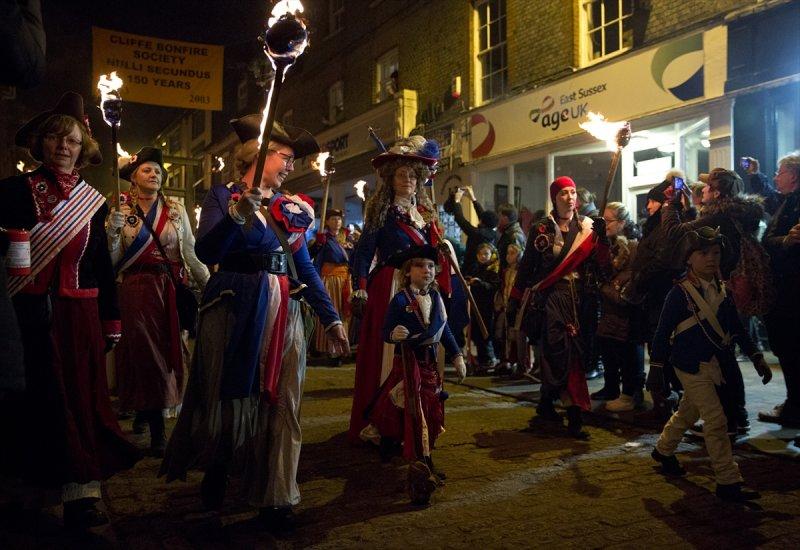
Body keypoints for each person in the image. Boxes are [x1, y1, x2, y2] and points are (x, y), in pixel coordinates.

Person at [159, 115, 349, 533]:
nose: (290, 166)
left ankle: (277, 495)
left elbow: (304, 268)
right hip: (234, 303)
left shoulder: (291, 208)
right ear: (257, 155)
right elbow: (209, 248)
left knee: (285, 403)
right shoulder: (220, 196)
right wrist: (237, 215)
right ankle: (220, 464)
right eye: (285, 157)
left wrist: (330, 317)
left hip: (284, 310)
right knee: (228, 398)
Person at [0, 92, 139, 529]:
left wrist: (111, 320)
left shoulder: (92, 202)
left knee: (81, 398)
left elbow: (100, 264)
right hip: (25, 312)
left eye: (73, 141)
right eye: (56, 138)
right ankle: (34, 485)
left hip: (79, 312)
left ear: (84, 150)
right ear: (41, 144)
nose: (64, 147)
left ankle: (83, 491)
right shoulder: (11, 190)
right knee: (36, 399)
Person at [649, 227, 772, 502]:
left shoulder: (723, 291)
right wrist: (656, 369)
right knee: (716, 420)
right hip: (689, 364)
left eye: (715, 253)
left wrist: (756, 356)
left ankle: (663, 449)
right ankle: (728, 482)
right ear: (689, 258)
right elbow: (662, 332)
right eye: (703, 253)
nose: (710, 259)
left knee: (688, 413)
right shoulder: (679, 294)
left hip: (715, 363)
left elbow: (737, 328)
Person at [348, 135, 452, 444]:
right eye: (401, 174)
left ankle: (414, 420)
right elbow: (364, 254)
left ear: (420, 180)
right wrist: (361, 288)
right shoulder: (381, 213)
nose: (407, 180)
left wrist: (442, 249)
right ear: (391, 179)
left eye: (412, 175)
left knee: (421, 354)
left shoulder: (426, 217)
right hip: (389, 287)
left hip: (421, 285)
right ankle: (382, 421)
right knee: (390, 354)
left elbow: (434, 254)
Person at [106, 147, 210, 456]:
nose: (155, 175)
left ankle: (146, 411)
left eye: (158, 171)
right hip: (135, 290)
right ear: (133, 178)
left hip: (168, 290)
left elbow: (189, 252)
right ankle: (157, 431)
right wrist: (112, 230)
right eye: (147, 170)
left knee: (166, 352)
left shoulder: (175, 209)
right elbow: (111, 261)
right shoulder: (120, 211)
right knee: (146, 355)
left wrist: (209, 283)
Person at [660, 168, 766, 433]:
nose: (701, 190)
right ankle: (735, 416)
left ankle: (729, 419)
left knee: (721, 354)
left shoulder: (718, 217)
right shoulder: (734, 213)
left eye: (706, 187)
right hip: (730, 289)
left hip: (722, 291)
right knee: (725, 352)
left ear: (716, 192)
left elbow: (675, 234)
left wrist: (671, 205)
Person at [364, 245, 466, 505]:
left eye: (431, 266)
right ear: (408, 272)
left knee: (429, 414)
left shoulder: (438, 299)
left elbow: (446, 332)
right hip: (408, 365)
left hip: (430, 368)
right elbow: (385, 331)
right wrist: (392, 335)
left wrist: (457, 356)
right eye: (420, 266)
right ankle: (421, 465)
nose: (427, 270)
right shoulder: (399, 300)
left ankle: (417, 454)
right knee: (411, 412)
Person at [508, 176, 608, 439]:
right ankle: (573, 413)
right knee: (560, 350)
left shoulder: (588, 227)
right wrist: (515, 299)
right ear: (555, 197)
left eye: (573, 191)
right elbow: (528, 265)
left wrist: (603, 238)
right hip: (550, 297)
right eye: (563, 192)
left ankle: (548, 403)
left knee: (575, 353)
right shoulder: (542, 228)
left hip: (581, 300)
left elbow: (602, 266)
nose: (570, 196)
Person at [758, 152, 800, 427]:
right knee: (787, 350)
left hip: (792, 290)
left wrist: (781, 241)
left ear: (793, 175)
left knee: (792, 349)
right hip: (784, 288)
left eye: (779, 171)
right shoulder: (786, 202)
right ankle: (793, 403)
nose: (775, 177)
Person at [592, 202, 645, 412]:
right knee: (609, 350)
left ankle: (630, 393)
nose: (605, 224)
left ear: (622, 222)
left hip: (625, 312)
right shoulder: (607, 244)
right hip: (608, 310)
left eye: (609, 221)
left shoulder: (633, 247)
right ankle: (611, 387)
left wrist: (606, 287)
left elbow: (630, 279)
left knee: (628, 354)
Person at [309, 208, 353, 365]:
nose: (337, 222)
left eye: (339, 219)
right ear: (327, 221)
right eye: (333, 219)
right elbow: (312, 255)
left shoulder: (344, 239)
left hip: (344, 280)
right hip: (330, 280)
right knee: (332, 313)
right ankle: (331, 351)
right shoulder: (323, 239)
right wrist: (318, 244)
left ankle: (342, 349)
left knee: (343, 314)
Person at [443, 185, 498, 275]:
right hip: (483, 270)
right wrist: (473, 198)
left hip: (473, 272)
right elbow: (483, 216)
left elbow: (461, 220)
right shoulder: (493, 232)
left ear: (482, 222)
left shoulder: (478, 234)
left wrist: (457, 201)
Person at [465, 242, 500, 372]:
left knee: (486, 333)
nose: (483, 256)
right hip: (477, 306)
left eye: (486, 253)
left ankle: (489, 359)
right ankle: (481, 360)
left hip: (488, 307)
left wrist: (480, 283)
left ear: (491, 254)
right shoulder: (477, 268)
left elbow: (493, 287)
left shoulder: (493, 269)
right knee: (477, 334)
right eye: (480, 254)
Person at [494, 243, 525, 375]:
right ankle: (506, 361)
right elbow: (502, 288)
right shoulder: (505, 271)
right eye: (507, 253)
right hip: (505, 307)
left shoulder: (521, 272)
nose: (508, 256)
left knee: (516, 336)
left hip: (516, 308)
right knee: (502, 334)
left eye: (512, 253)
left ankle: (520, 363)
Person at [496, 203, 526, 271]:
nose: (498, 219)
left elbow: (517, 259)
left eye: (499, 216)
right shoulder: (508, 232)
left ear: (505, 218)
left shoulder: (515, 234)